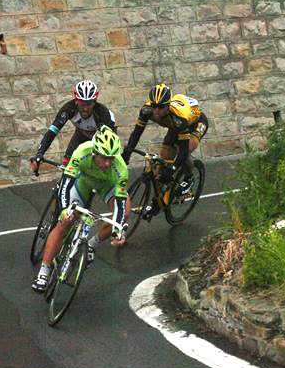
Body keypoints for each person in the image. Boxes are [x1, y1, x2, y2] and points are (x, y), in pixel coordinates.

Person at [32, 126, 130, 293]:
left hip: (107, 185)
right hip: (83, 181)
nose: (107, 163)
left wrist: (117, 230)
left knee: (126, 213)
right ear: (94, 153)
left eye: (111, 158)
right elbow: (65, 184)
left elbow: (120, 206)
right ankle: (44, 270)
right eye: (104, 158)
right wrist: (65, 210)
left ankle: (91, 245)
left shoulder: (121, 169)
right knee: (65, 222)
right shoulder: (82, 151)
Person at [121, 84, 209, 215]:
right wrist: (127, 152)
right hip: (174, 127)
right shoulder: (146, 110)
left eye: (160, 106)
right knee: (163, 160)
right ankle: (159, 200)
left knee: (182, 152)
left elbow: (184, 150)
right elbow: (136, 133)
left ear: (168, 106)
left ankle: (189, 177)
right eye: (154, 106)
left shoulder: (179, 118)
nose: (156, 110)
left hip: (195, 124)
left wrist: (172, 169)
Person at [30, 80, 116, 172]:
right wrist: (39, 154)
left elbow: (107, 145)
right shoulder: (69, 109)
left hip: (101, 137)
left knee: (101, 165)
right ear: (76, 101)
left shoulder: (102, 113)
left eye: (89, 104)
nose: (85, 108)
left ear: (94, 102)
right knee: (67, 164)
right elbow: (52, 131)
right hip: (81, 134)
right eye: (82, 104)